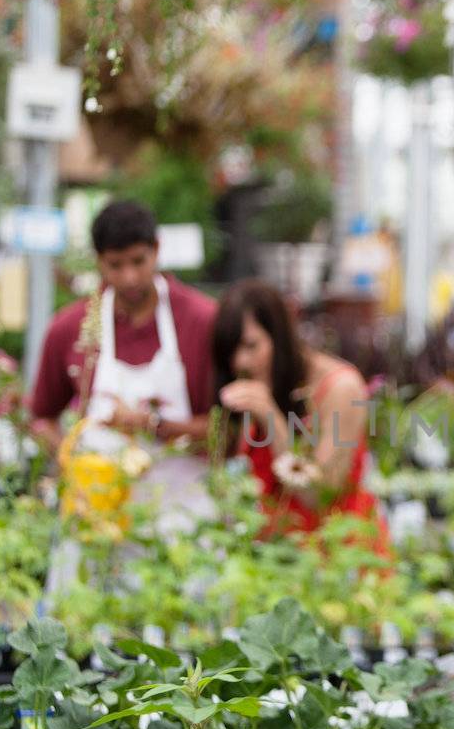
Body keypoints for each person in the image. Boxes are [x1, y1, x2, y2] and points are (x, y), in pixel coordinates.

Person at [29, 199, 219, 524]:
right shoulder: (69, 328)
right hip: (97, 513)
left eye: (138, 261)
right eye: (115, 265)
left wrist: (153, 425)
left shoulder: (202, 320)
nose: (129, 277)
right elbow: (41, 418)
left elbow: (225, 429)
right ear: (98, 261)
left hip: (182, 514)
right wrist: (76, 465)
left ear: (157, 250)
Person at [211, 280, 386, 544]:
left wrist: (270, 417)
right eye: (231, 352)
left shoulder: (341, 388)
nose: (241, 362)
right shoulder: (263, 385)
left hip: (337, 560)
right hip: (276, 559)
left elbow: (319, 494)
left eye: (251, 346)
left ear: (279, 337)